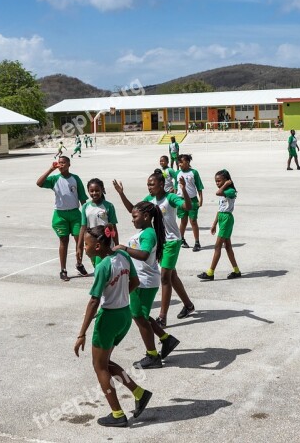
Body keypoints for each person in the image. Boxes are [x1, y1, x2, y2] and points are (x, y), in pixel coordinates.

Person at [74, 225, 152, 427]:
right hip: (124, 315)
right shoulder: (123, 257)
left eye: (86, 244)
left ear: (98, 246)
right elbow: (134, 281)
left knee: (99, 366)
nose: (84, 247)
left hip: (108, 318)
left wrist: (81, 333)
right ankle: (139, 393)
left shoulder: (103, 266)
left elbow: (94, 301)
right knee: (106, 362)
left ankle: (117, 414)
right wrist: (120, 295)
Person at [113, 170, 195, 326]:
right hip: (159, 241)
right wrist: (121, 194)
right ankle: (189, 305)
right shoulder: (149, 200)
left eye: (152, 184)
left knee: (165, 276)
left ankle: (162, 316)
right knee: (171, 276)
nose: (149, 187)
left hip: (171, 241)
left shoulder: (170, 198)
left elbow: (187, 206)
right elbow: (134, 210)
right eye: (148, 185)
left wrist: (183, 189)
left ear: (161, 184)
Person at [124, 202, 181, 369]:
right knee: (141, 314)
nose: (132, 220)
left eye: (135, 216)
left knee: (138, 316)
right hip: (141, 280)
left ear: (146, 217)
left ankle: (152, 355)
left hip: (144, 282)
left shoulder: (148, 234)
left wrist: (124, 249)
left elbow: (144, 254)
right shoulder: (146, 232)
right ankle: (166, 339)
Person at [37, 156, 88, 281]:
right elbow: (39, 183)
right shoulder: (55, 179)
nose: (61, 165)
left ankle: (79, 264)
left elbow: (82, 198)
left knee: (79, 240)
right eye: (59, 163)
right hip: (60, 215)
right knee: (63, 241)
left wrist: (86, 215)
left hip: (75, 214)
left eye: (63, 162)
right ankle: (63, 269)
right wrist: (50, 169)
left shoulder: (75, 179)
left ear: (69, 164)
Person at [198, 170, 241, 280]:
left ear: (226, 180)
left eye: (219, 181)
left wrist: (226, 184)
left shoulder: (230, 191)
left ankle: (210, 273)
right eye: (215, 181)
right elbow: (220, 209)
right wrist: (214, 224)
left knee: (218, 246)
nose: (217, 183)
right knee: (227, 246)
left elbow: (217, 193)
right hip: (222, 218)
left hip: (227, 218)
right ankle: (236, 271)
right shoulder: (223, 191)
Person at [78, 178, 118, 269]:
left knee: (102, 267)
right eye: (91, 191)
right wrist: (79, 247)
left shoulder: (109, 206)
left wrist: (117, 244)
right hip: (92, 243)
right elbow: (83, 227)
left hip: (106, 243)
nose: (94, 193)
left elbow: (113, 227)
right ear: (88, 191)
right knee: (96, 266)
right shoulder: (85, 207)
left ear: (102, 190)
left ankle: (101, 282)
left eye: (97, 190)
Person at [175, 154, 204, 251]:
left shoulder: (194, 172)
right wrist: (174, 200)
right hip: (180, 200)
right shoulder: (177, 173)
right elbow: (176, 187)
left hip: (192, 200)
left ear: (187, 162)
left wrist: (201, 200)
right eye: (179, 162)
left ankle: (197, 242)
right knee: (183, 221)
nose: (179, 164)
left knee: (193, 221)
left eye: (181, 162)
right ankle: (181, 239)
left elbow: (199, 187)